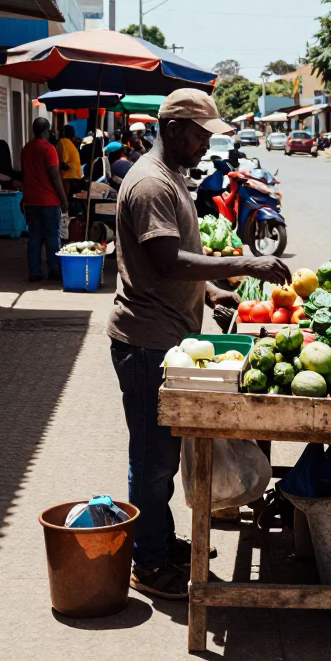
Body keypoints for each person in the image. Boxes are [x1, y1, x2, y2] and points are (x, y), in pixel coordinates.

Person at [108, 88, 291, 600]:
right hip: (145, 340)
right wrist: (243, 264)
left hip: (167, 334)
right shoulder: (149, 184)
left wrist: (209, 291)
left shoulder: (171, 178)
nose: (204, 144)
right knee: (152, 460)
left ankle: (160, 543)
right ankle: (148, 563)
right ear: (172, 129)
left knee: (161, 456)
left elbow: (169, 260)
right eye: (199, 134)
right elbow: (167, 261)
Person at [21, 117, 68, 282]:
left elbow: (25, 175)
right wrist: (64, 198)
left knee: (34, 236)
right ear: (47, 130)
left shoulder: (26, 148)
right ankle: (54, 270)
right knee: (51, 236)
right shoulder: (49, 149)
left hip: (31, 201)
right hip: (48, 201)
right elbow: (55, 175)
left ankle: (34, 271)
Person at [57, 125, 83, 197]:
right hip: (76, 177)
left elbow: (63, 162)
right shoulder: (71, 144)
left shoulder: (63, 141)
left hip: (67, 178)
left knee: (65, 200)